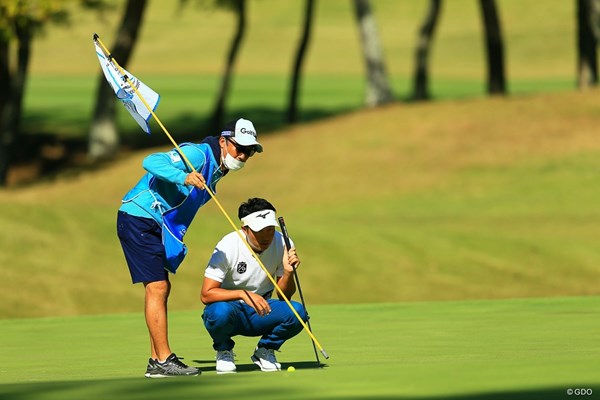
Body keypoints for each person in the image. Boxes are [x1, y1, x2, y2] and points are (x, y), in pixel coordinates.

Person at [116, 118, 263, 378]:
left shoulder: (217, 171)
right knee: (158, 286)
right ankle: (163, 361)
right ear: (223, 141)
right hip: (139, 217)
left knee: (161, 287)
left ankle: (156, 360)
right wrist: (183, 176)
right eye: (238, 147)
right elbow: (150, 161)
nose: (242, 154)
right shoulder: (197, 155)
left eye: (249, 151)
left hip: (155, 225)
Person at [200, 197, 309, 374]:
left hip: (263, 310)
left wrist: (289, 272)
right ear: (245, 229)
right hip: (230, 310)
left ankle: (265, 350)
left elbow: (284, 298)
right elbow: (206, 294)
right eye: (260, 231)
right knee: (217, 313)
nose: (267, 236)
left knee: (298, 312)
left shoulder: (283, 243)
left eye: (270, 229)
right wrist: (243, 294)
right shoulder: (228, 245)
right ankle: (224, 350)